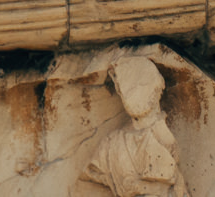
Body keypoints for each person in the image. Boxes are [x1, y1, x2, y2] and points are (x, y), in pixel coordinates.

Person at [81, 57, 188, 197]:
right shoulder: (111, 144)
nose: (129, 94)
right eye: (124, 87)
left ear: (157, 87)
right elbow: (87, 182)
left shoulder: (168, 137)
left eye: (138, 85)